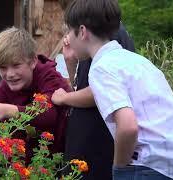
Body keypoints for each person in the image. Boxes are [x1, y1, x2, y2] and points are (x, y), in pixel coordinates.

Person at [53, 0, 173, 179]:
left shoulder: (101, 67)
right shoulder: (136, 61)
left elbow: (128, 126)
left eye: (68, 31)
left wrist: (120, 170)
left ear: (82, 32)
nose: (67, 38)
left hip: (149, 166)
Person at [53, 0, 135, 179]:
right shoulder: (89, 44)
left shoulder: (109, 32)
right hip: (84, 142)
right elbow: (82, 84)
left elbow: (97, 92)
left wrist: (65, 98)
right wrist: (71, 61)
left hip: (98, 141)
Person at [0, 27, 72, 164]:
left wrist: (8, 110)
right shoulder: (2, 92)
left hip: (66, 155)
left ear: (33, 61)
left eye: (16, 65)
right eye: (3, 67)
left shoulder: (49, 76)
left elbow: (49, 116)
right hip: (33, 162)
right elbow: (13, 139)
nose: (10, 74)